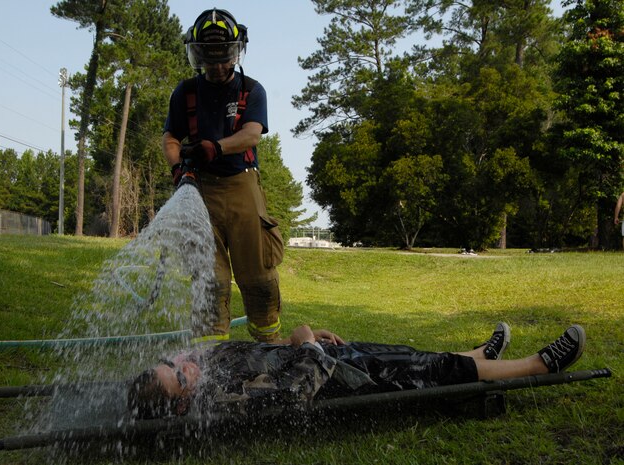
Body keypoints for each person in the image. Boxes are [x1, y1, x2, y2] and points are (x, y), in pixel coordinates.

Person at [128, 322, 586, 419]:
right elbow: (293, 394)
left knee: (409, 351)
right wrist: (307, 346)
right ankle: (540, 365)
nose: (185, 363)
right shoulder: (224, 401)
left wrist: (299, 338)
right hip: (344, 383)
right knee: (429, 371)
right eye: (180, 375)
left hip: (331, 358)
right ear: (185, 399)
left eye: (172, 362)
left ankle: (478, 355)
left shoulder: (210, 367)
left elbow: (266, 354)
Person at [162, 8, 284, 344]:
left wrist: (215, 147)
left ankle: (269, 350)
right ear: (197, 55)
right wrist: (178, 170)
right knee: (209, 280)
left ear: (236, 52)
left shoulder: (251, 91)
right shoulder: (185, 93)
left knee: (258, 275)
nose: (217, 67)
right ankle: (210, 360)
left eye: (224, 58)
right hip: (201, 191)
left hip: (242, 185)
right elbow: (170, 138)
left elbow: (251, 135)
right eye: (209, 59)